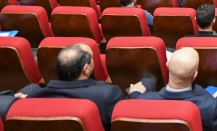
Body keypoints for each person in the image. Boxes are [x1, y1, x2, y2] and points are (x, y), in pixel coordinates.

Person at [13, 43, 149, 131]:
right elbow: (126, 118)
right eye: (92, 58)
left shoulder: (32, 98)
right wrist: (135, 94)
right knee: (147, 82)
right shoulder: (108, 94)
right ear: (85, 69)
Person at [129, 47, 217, 131]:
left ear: (167, 65)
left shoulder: (144, 101)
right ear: (195, 75)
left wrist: (134, 94)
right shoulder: (209, 106)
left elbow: (135, 101)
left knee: (146, 81)